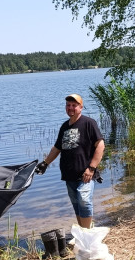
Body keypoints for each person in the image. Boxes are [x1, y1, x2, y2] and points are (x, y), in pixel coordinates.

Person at [36, 93, 105, 229]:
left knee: (84, 201)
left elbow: (100, 145)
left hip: (86, 174)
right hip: (69, 174)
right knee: (77, 205)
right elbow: (57, 148)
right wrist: (45, 163)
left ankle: (86, 234)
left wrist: (91, 168)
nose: (71, 108)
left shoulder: (89, 123)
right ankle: (82, 233)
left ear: (81, 107)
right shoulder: (64, 127)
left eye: (74, 105)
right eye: (68, 105)